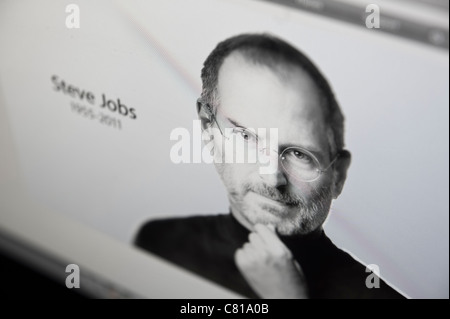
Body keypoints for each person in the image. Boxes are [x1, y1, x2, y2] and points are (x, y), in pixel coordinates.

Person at [134, 33, 405, 299]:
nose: (272, 177)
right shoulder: (161, 242)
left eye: (300, 154)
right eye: (246, 137)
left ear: (339, 176)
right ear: (207, 126)